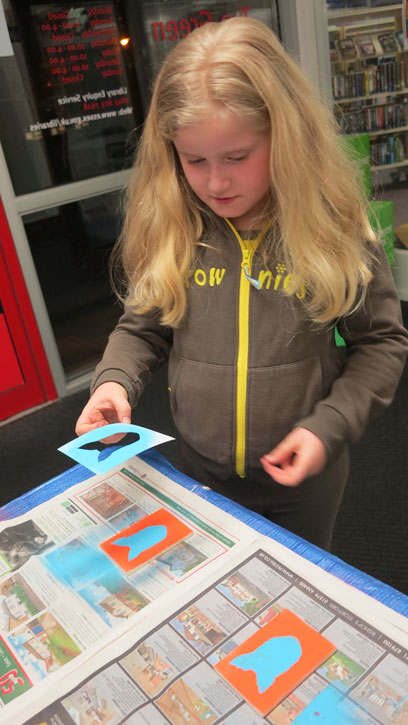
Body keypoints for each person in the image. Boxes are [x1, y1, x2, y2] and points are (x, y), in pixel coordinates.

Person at [76, 17, 408, 549]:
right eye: (193, 160)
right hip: (200, 467)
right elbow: (142, 329)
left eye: (236, 157)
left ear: (286, 137)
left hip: (304, 481)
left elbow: (382, 342)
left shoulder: (334, 225)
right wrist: (114, 382)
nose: (215, 182)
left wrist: (330, 425)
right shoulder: (176, 226)